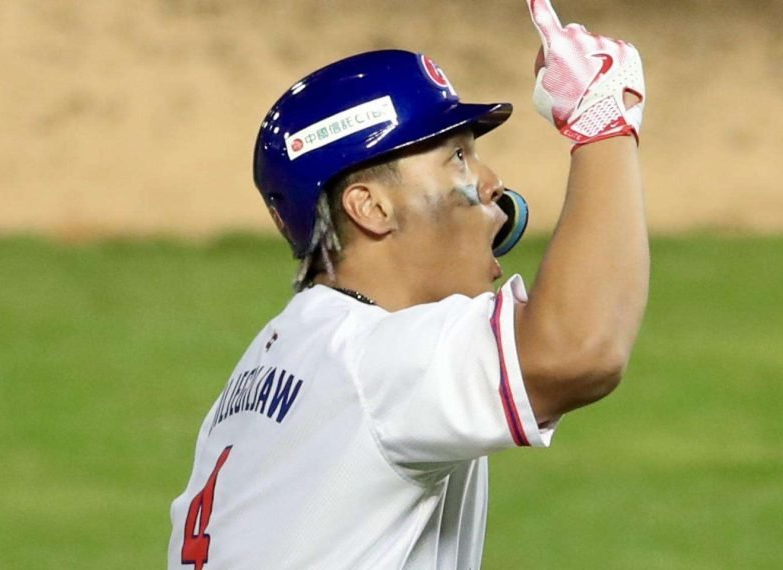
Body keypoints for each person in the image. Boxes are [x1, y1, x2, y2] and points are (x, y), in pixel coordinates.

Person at [167, 0, 649, 568]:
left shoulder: (282, 361)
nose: (493, 183)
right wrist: (603, 126)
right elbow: (578, 350)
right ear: (370, 207)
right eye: (459, 158)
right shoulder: (370, 365)